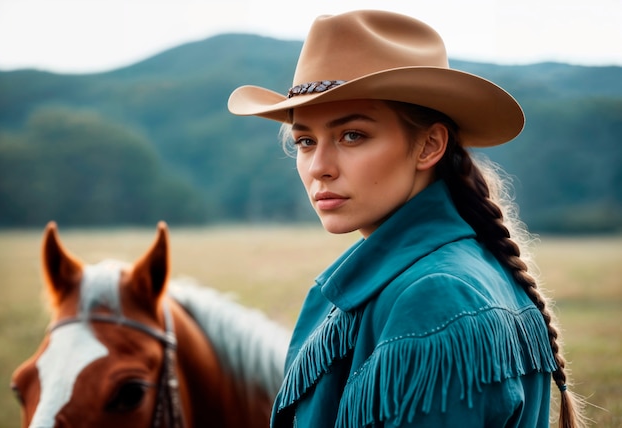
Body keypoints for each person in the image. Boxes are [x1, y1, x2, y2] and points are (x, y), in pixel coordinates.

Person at [228, 9, 586, 428]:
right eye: (305, 141)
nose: (319, 166)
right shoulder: (396, 281)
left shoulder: (437, 297)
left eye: (352, 135)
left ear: (429, 146)